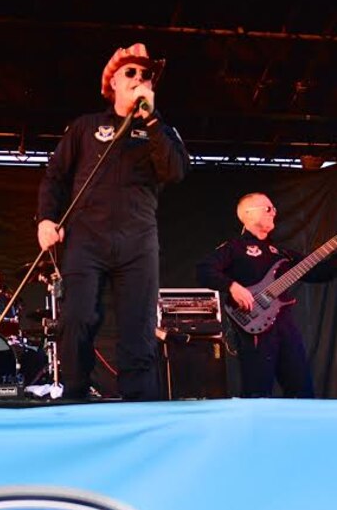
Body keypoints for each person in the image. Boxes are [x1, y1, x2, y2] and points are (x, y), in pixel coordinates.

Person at [36, 42, 190, 401]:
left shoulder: (161, 131)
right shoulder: (86, 127)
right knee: (77, 316)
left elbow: (175, 171)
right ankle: (75, 394)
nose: (139, 78)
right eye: (130, 73)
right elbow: (55, 176)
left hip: (137, 239)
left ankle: (138, 403)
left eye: (145, 74)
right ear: (113, 84)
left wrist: (151, 121)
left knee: (138, 323)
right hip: (86, 238)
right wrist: (46, 219)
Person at [196, 192, 336, 398]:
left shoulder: (282, 252)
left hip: (285, 327)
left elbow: (318, 273)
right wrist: (233, 286)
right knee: (258, 392)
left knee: (302, 390)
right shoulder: (234, 248)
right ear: (248, 214)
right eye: (268, 208)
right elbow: (204, 270)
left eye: (274, 209)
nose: (274, 213)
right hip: (255, 329)